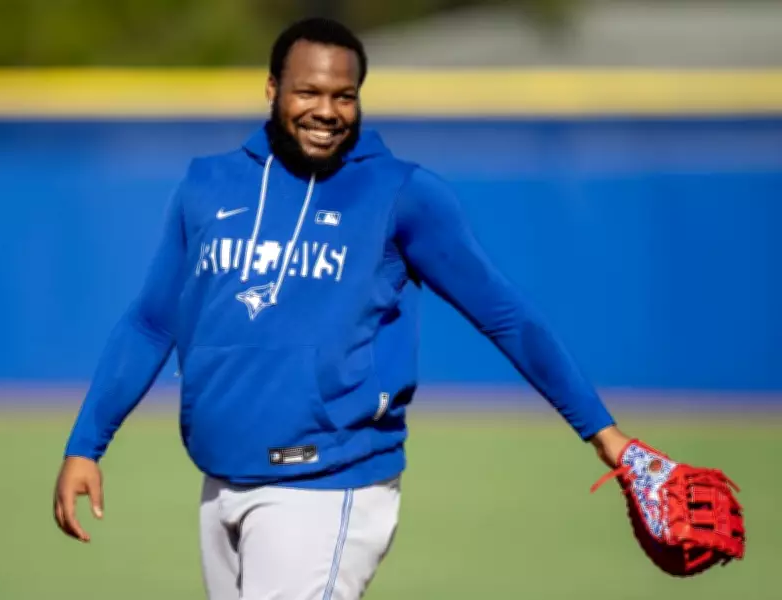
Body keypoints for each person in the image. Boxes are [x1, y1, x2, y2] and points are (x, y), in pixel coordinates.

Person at [53, 16, 633, 600]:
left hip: (328, 485)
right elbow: (151, 323)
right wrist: (86, 444)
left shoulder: (399, 193)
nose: (327, 111)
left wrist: (604, 435)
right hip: (221, 479)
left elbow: (507, 317)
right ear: (272, 88)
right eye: (308, 91)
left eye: (344, 96)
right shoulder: (210, 184)